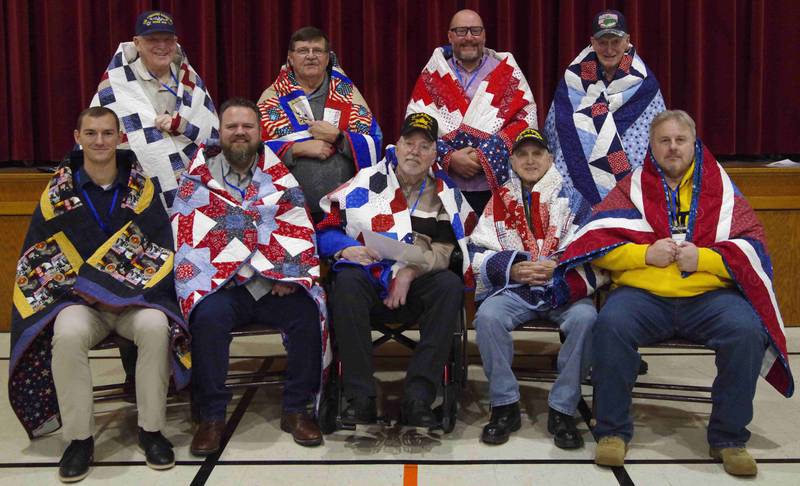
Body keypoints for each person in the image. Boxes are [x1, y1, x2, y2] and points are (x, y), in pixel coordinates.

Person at [557, 110, 793, 476]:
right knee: (610, 325)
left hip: (710, 298)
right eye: (664, 141)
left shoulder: (721, 188)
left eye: (680, 140)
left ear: (694, 143)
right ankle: (612, 432)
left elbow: (753, 248)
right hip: (642, 296)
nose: (672, 148)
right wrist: (644, 255)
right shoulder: (631, 187)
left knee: (746, 331)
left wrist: (705, 259)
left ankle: (729, 438)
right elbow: (595, 244)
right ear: (651, 146)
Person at [9, 107, 189, 482]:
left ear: (120, 137)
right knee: (67, 334)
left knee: (156, 327)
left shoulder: (142, 189)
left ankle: (151, 431)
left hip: (135, 301)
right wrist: (89, 291)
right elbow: (41, 257)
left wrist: (118, 291)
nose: (100, 141)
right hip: (78, 301)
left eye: (107, 133)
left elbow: (158, 250)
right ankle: (79, 440)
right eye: (91, 133)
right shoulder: (58, 193)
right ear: (77, 138)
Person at [171, 98, 330, 454]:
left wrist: (286, 274)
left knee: (308, 312)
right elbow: (187, 237)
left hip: (273, 285)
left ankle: (297, 409)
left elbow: (297, 227)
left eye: (247, 126)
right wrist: (219, 275)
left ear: (260, 132)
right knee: (206, 319)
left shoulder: (280, 178)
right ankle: (212, 416)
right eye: (232, 127)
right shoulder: (197, 180)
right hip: (221, 287)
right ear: (220, 132)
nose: (240, 133)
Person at [316, 113, 475, 427]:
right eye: (409, 143)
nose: (415, 151)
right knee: (345, 281)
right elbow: (324, 232)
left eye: (424, 146)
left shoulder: (445, 194)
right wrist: (345, 248)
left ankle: (419, 397)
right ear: (397, 145)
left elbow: (446, 251)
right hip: (369, 278)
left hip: (416, 286)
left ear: (434, 154)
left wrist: (410, 271)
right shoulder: (366, 181)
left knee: (449, 286)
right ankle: (360, 396)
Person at [470, 128, 599, 447]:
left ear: (550, 158)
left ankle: (563, 408)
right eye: (523, 154)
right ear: (512, 161)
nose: (530, 160)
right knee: (488, 317)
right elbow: (477, 249)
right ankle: (504, 404)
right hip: (516, 288)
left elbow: (592, 249)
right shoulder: (499, 200)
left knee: (586, 319)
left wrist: (558, 266)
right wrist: (512, 268)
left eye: (537, 153)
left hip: (562, 288)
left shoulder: (575, 199)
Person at [406, 9, 537, 215]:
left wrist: (485, 154)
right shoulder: (433, 76)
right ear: (450, 36)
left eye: (475, 31)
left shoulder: (506, 72)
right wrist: (449, 157)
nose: (469, 37)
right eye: (461, 31)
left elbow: (525, 119)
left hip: (497, 188)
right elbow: (414, 126)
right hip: (443, 188)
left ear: (484, 35)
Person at [91, 10, 219, 208]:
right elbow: (97, 137)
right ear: (137, 43)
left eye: (168, 40)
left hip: (193, 190)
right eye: (152, 39)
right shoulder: (116, 85)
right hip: (136, 192)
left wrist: (180, 125)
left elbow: (211, 133)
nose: (162, 46)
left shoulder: (190, 82)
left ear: (176, 42)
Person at [258, 26, 382, 224]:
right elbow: (253, 151)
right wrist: (296, 149)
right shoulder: (272, 99)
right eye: (302, 51)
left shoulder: (348, 95)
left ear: (327, 58)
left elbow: (374, 142)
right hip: (287, 212)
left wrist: (339, 138)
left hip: (346, 211)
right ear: (290, 58)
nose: (311, 56)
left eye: (317, 50)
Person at [543, 9, 665, 206]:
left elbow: (657, 135)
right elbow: (557, 131)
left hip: (631, 185)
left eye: (615, 41)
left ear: (627, 41)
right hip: (576, 183)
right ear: (592, 42)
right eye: (602, 42)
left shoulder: (644, 84)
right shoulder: (573, 80)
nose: (609, 49)